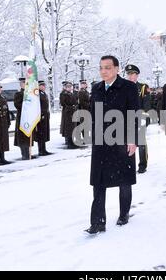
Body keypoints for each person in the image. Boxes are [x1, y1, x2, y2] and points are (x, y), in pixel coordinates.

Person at [85, 55, 139, 234]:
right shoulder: (97, 88)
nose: (103, 71)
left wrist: (133, 140)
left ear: (117, 69)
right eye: (101, 68)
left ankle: (124, 213)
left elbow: (133, 114)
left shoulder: (128, 87)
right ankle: (98, 222)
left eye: (108, 67)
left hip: (122, 139)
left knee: (124, 179)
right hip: (101, 142)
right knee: (98, 181)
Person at [125, 64, 151, 174]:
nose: (130, 76)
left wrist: (144, 118)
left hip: (139, 118)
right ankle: (129, 164)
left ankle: (142, 165)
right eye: (129, 74)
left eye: (132, 74)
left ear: (137, 75)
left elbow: (147, 104)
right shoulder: (123, 87)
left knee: (140, 142)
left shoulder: (143, 87)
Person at [14, 78, 34, 160]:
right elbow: (17, 105)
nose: (26, 84)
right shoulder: (18, 94)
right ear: (21, 84)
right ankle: (24, 154)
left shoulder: (29, 93)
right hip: (22, 117)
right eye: (24, 83)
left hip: (28, 117)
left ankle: (29, 153)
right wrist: (25, 103)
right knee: (22, 136)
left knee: (28, 135)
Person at [34, 80, 52, 156]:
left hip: (45, 115)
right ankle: (40, 150)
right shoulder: (37, 94)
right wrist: (40, 115)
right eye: (42, 85)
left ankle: (44, 149)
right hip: (41, 116)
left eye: (44, 85)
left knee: (44, 133)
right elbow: (37, 105)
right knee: (40, 134)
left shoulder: (43, 93)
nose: (44, 87)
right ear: (39, 86)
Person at [59, 81, 79, 149]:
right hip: (67, 113)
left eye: (70, 86)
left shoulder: (71, 93)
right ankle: (70, 143)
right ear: (65, 87)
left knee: (73, 128)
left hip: (73, 112)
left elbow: (75, 102)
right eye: (68, 87)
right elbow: (63, 104)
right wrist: (71, 107)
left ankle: (73, 142)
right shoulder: (63, 94)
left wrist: (75, 106)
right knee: (69, 129)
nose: (69, 88)